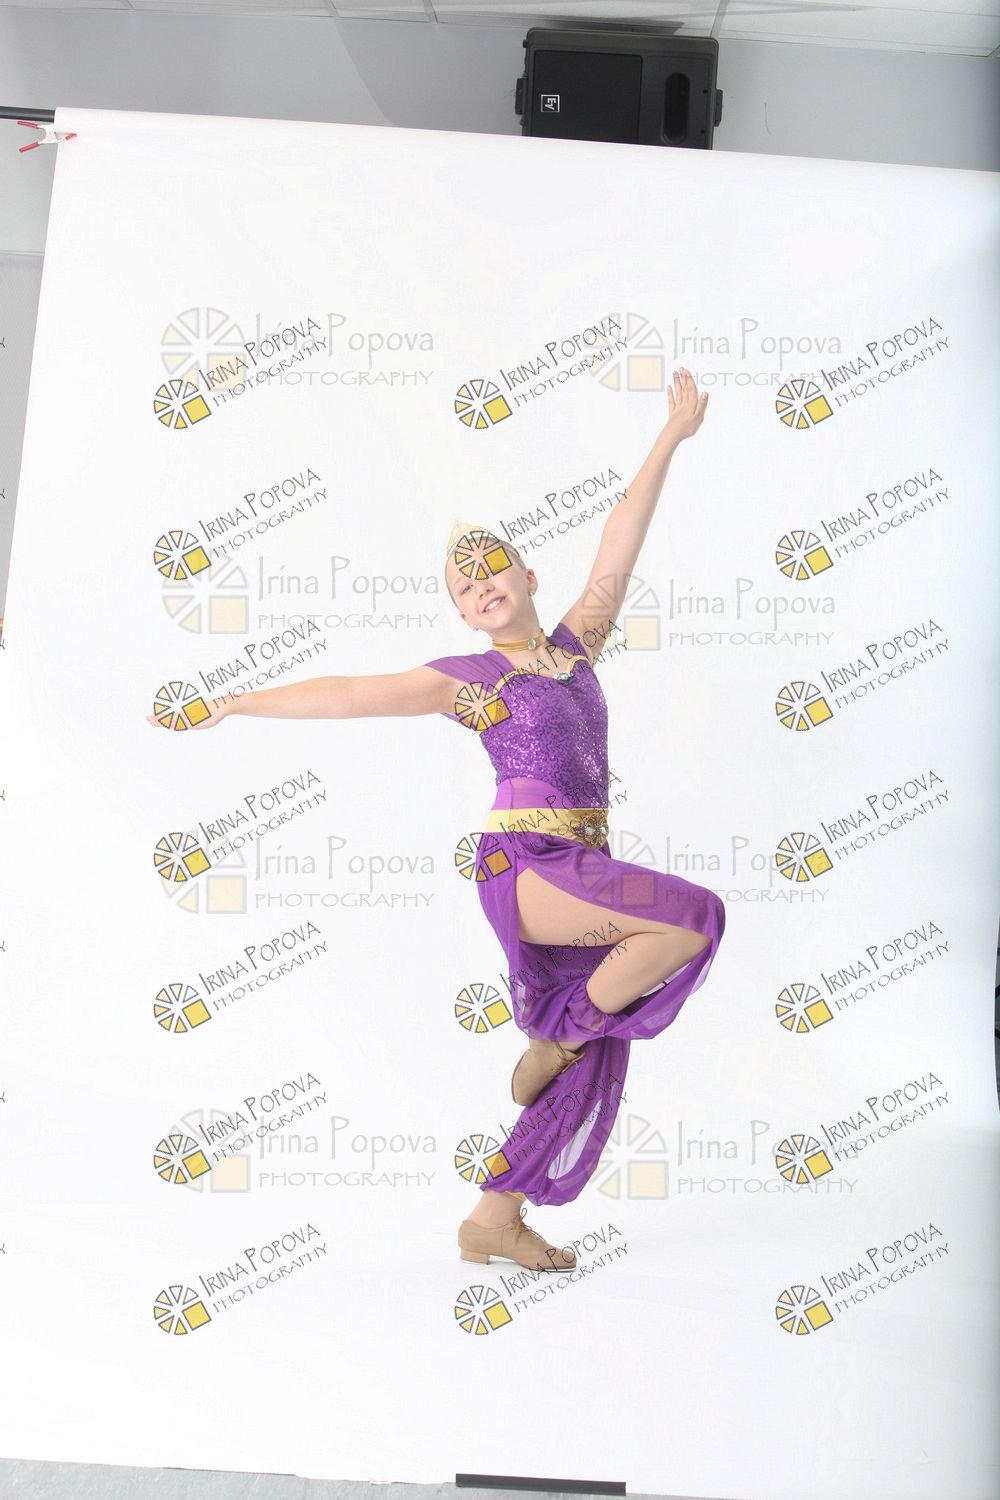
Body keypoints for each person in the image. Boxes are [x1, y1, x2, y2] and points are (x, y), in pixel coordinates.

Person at [148, 368, 725, 1277]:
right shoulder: (471, 679)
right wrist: (235, 700)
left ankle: (494, 1216)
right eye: (464, 584)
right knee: (693, 917)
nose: (480, 583)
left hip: (587, 864)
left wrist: (670, 438)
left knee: (601, 1051)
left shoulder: (576, 646)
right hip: (525, 865)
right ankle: (559, 1034)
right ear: (459, 612)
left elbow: (621, 537)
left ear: (527, 577)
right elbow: (350, 694)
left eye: (492, 568)